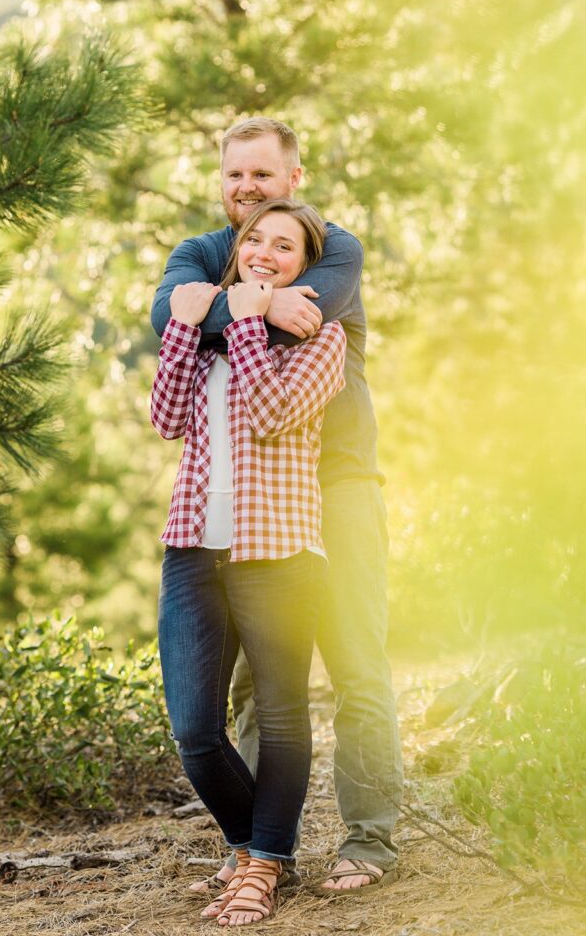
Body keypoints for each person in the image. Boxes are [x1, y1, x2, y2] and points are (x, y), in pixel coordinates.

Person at [151, 117, 403, 895]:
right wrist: (246, 305)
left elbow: (306, 312)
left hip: (338, 482)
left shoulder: (335, 247)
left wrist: (219, 309)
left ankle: (370, 840)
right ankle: (263, 851)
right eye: (235, 175)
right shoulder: (198, 253)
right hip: (248, 506)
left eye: (262, 175)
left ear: (293, 177)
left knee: (356, 658)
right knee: (255, 686)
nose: (247, 189)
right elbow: (167, 319)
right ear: (220, 180)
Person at [151, 199, 347, 926]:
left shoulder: (320, 341)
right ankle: (253, 848)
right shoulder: (205, 336)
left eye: (284, 247)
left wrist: (244, 317)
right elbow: (166, 417)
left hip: (282, 552)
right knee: (196, 732)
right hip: (193, 545)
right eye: (253, 241)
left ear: (305, 267)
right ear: (236, 252)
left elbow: (269, 412)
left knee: (282, 716)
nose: (265, 252)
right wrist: (185, 322)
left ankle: (261, 867)